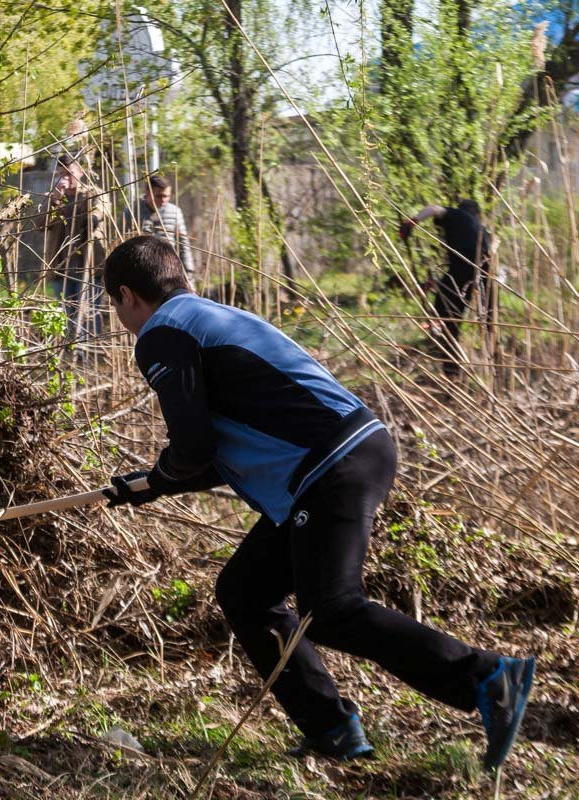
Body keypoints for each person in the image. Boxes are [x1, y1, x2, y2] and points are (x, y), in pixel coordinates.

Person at [100, 234, 535, 771]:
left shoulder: (162, 332)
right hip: (347, 454)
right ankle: (332, 729)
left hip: (332, 465)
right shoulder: (204, 314)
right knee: (245, 590)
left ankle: (489, 677)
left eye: (114, 306)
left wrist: (166, 472)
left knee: (331, 609)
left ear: (127, 295)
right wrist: (151, 483)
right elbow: (216, 454)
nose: (120, 317)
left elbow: (192, 448)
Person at [399, 199, 492, 375]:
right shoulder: (482, 230)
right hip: (482, 272)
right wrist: (435, 283)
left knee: (448, 320)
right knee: (482, 321)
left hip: (465, 268)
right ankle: (490, 368)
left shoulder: (459, 215)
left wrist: (411, 223)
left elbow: (433, 208)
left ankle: (451, 371)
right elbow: (458, 267)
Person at [38, 153, 108, 341]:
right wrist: (54, 201)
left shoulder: (92, 194)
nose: (66, 178)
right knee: (67, 313)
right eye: (62, 173)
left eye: (70, 173)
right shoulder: (52, 198)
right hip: (61, 266)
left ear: (81, 172)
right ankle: (70, 352)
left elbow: (101, 210)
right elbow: (39, 223)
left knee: (89, 312)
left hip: (89, 265)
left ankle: (90, 352)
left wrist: (92, 218)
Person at [134, 174, 195, 287]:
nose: (163, 200)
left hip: (169, 271)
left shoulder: (175, 212)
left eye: (166, 196)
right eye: (159, 196)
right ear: (148, 192)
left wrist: (189, 275)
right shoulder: (133, 211)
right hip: (141, 272)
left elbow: (183, 245)